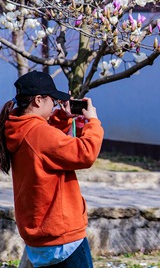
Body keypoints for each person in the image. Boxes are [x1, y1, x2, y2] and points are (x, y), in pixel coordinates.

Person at [0, 71, 104, 268]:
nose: (55, 105)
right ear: (38, 100)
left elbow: (48, 147)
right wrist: (93, 122)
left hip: (40, 236)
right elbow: (86, 153)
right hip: (62, 237)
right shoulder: (38, 133)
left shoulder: (17, 129)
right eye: (53, 101)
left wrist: (62, 118)